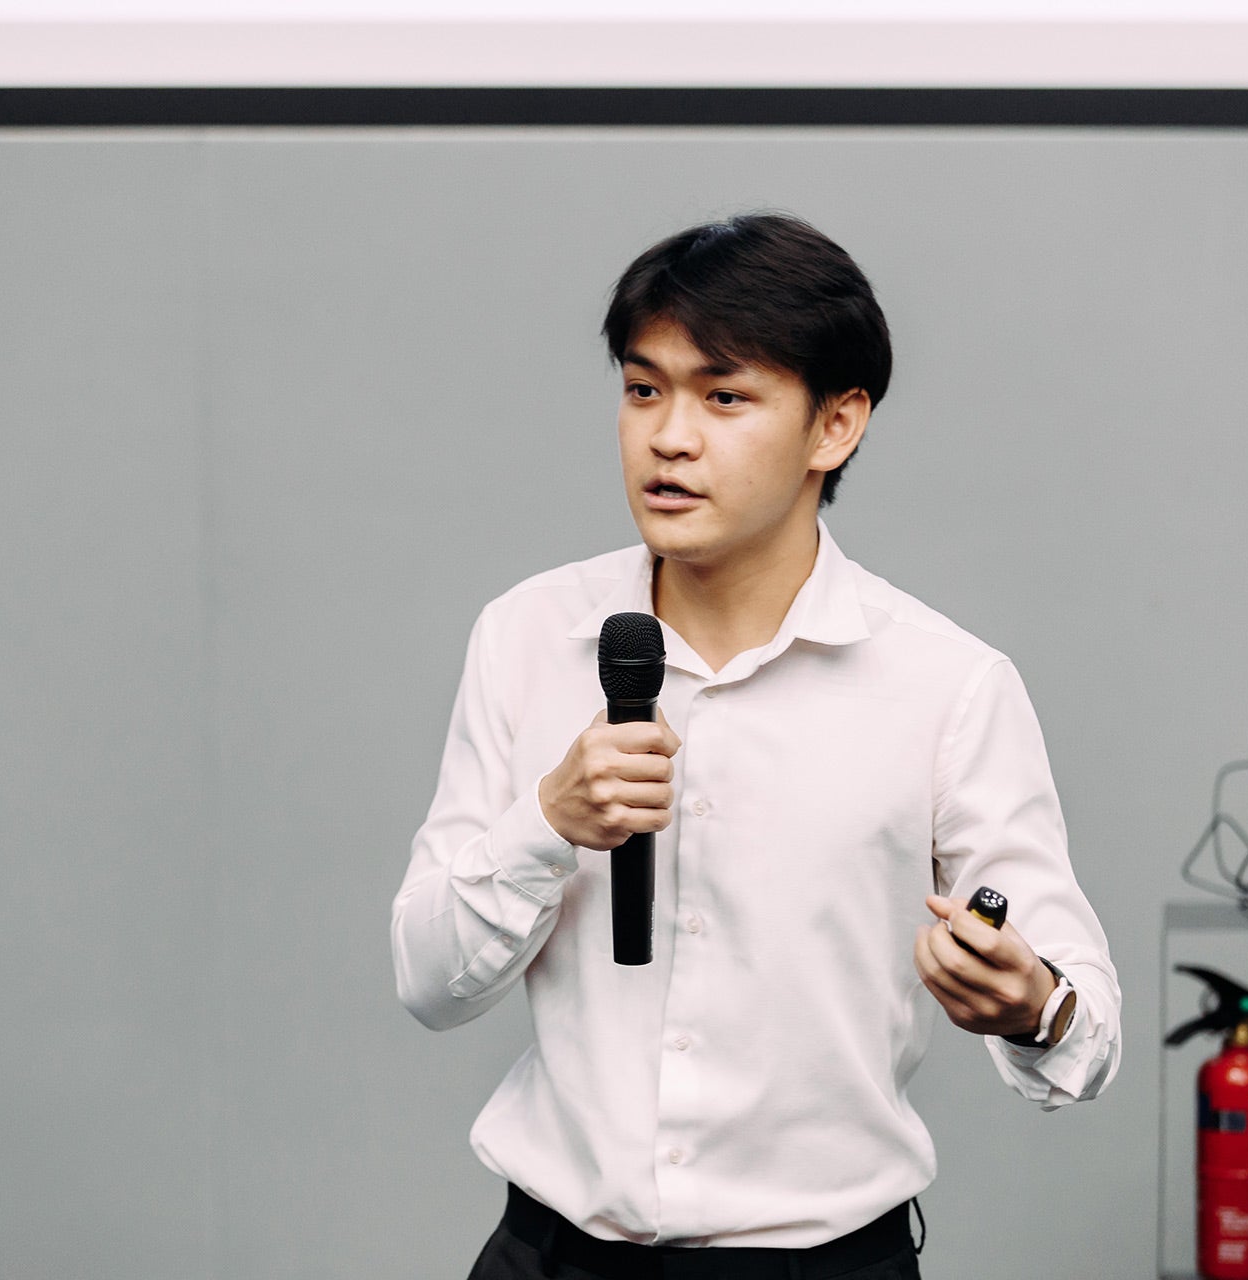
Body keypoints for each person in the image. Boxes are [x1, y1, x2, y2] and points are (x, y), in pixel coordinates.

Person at [391, 213, 1121, 1280]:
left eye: (724, 397)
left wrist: (1031, 1004)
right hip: (551, 1257)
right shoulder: (527, 637)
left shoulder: (947, 685)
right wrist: (548, 824)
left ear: (836, 424)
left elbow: (1085, 1034)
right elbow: (428, 979)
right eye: (644, 390)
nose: (669, 437)